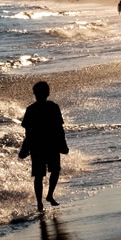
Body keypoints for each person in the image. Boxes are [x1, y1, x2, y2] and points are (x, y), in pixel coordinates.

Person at [21, 81, 68, 211]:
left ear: (34, 94)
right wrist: (63, 144)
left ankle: (41, 202)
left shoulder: (31, 109)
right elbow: (59, 128)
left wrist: (25, 147)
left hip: (38, 146)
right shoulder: (53, 106)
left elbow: (27, 130)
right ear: (48, 93)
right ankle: (48, 196)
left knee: (40, 175)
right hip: (51, 144)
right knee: (53, 171)